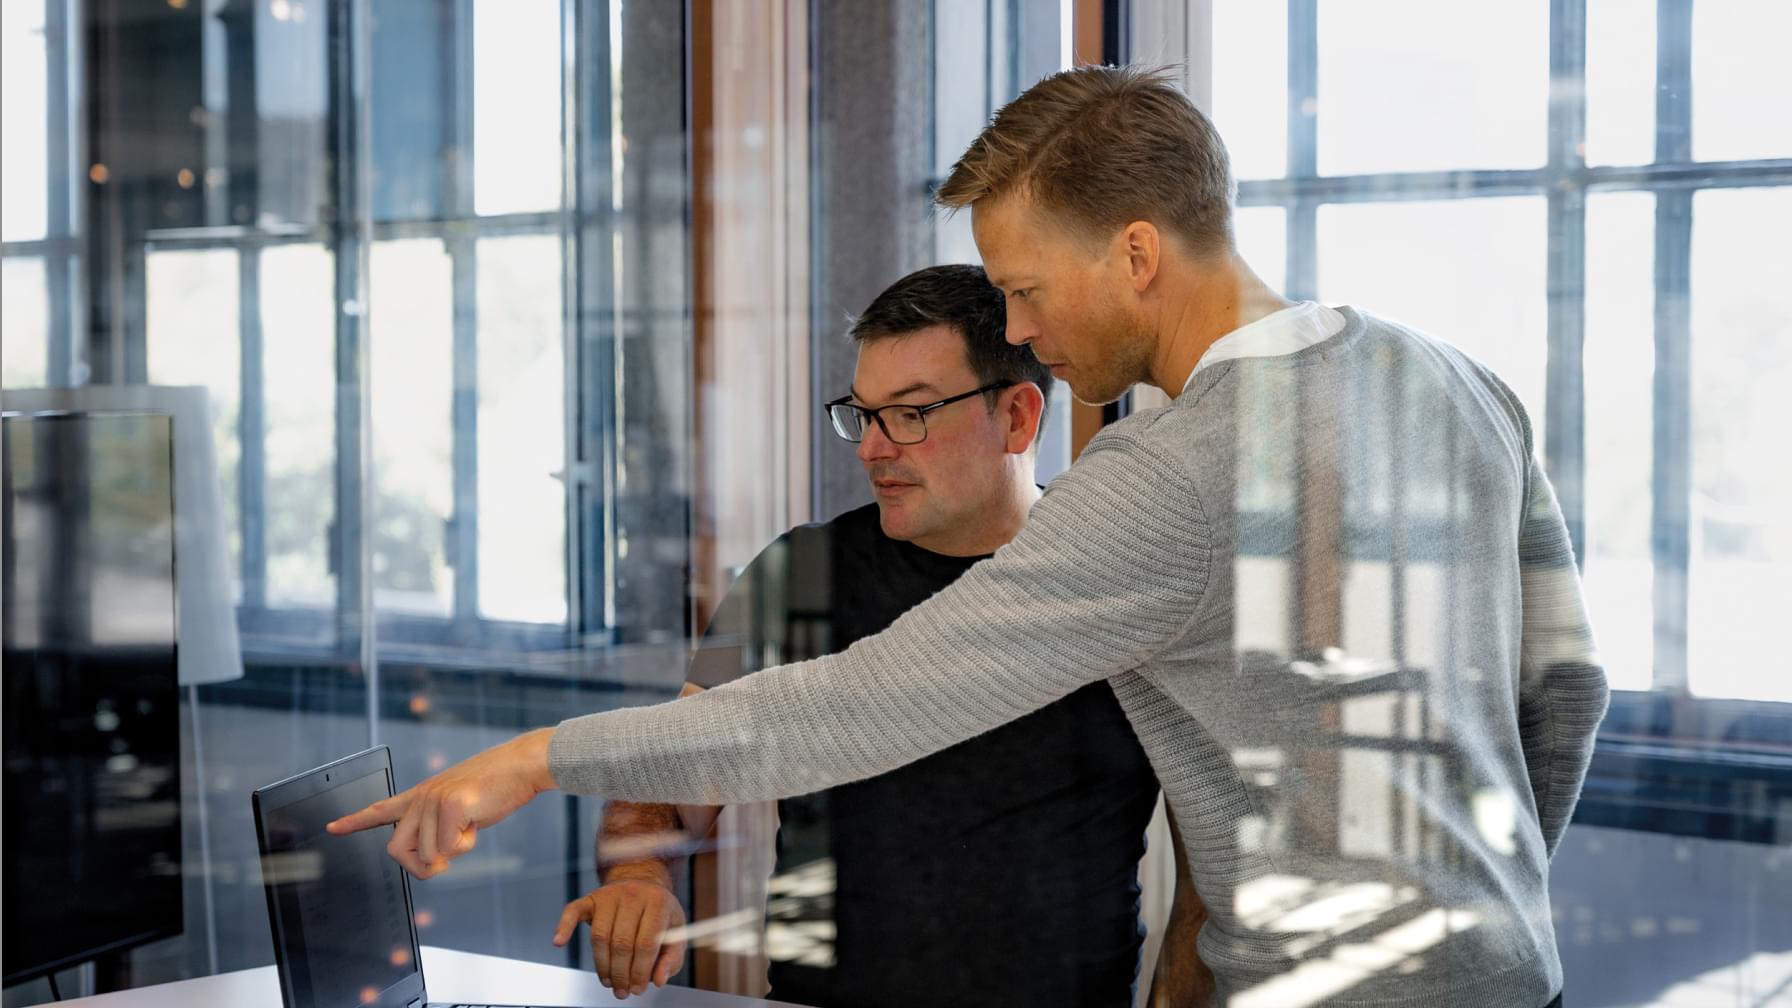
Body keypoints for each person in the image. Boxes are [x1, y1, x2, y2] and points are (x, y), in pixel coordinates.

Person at [333, 65, 1608, 1008]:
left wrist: (533, 759)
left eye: (1024, 286)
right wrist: (1476, 915)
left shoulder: (1168, 471)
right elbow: (1566, 687)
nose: (1022, 323)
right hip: (1513, 978)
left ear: (1137, 253)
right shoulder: (1452, 378)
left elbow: (854, 705)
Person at [548, 263, 1181, 1006]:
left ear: (1017, 417)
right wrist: (638, 876)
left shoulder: (1122, 586)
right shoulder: (787, 574)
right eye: (863, 413)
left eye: (911, 414)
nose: (872, 449)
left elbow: (1220, 849)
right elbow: (665, 767)